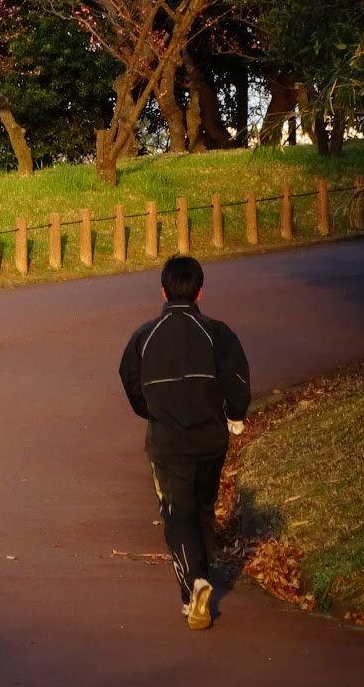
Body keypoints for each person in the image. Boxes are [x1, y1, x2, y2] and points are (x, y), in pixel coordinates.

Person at [119, 254, 250, 631]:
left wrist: (152, 410)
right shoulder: (218, 332)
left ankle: (194, 585)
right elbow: (238, 378)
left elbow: (130, 381)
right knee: (204, 506)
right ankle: (202, 577)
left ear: (162, 291)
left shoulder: (144, 337)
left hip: (167, 442)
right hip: (211, 439)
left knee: (178, 515)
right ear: (200, 292)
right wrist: (236, 414)